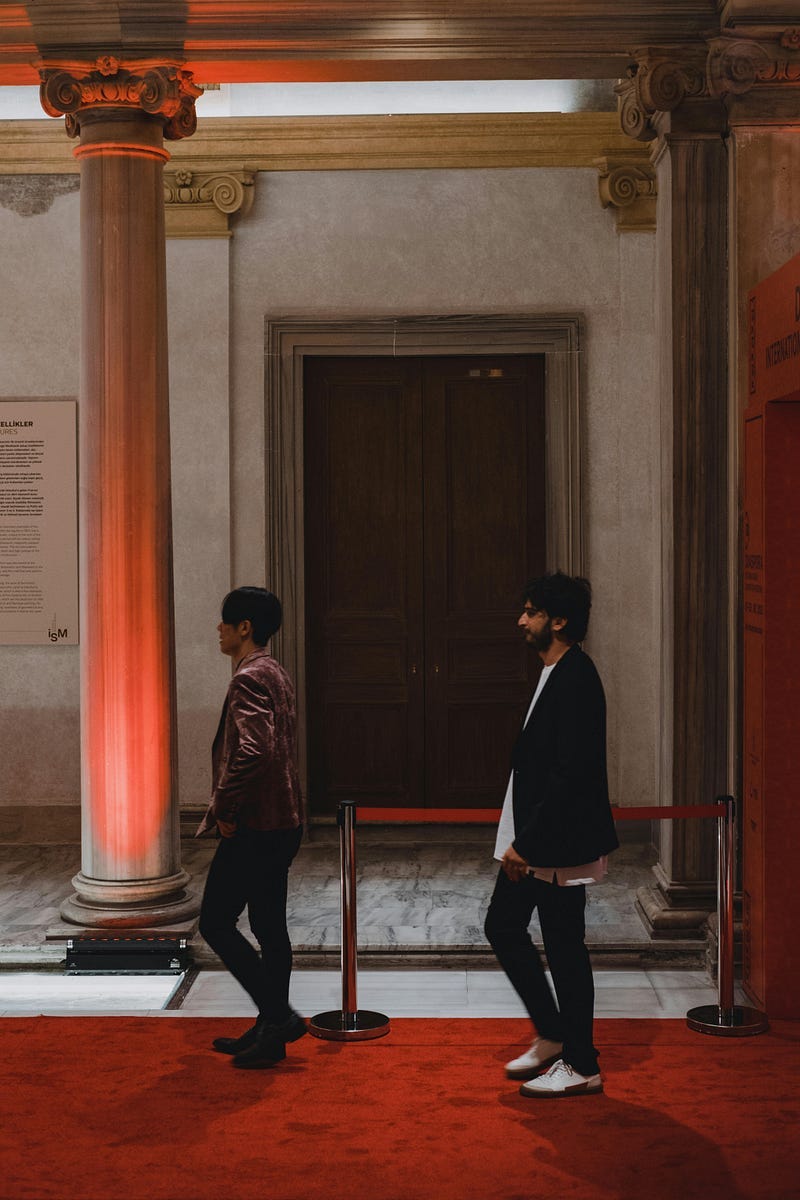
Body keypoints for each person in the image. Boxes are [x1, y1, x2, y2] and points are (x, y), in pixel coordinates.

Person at [484, 571, 618, 1098]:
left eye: (531, 611)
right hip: (542, 839)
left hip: (556, 843)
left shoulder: (577, 676)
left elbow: (569, 774)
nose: (521, 620)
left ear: (557, 621)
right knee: (505, 926)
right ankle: (556, 1034)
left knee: (563, 946)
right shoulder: (556, 670)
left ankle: (582, 1063)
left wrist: (527, 844)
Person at [197, 586, 306, 1069]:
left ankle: (279, 1016)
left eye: (225, 621)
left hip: (258, 824)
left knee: (216, 922)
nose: (218, 629)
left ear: (244, 627)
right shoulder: (275, 672)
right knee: (268, 926)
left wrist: (225, 804)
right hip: (284, 820)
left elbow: (255, 750)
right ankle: (270, 1032)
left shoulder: (248, 678)